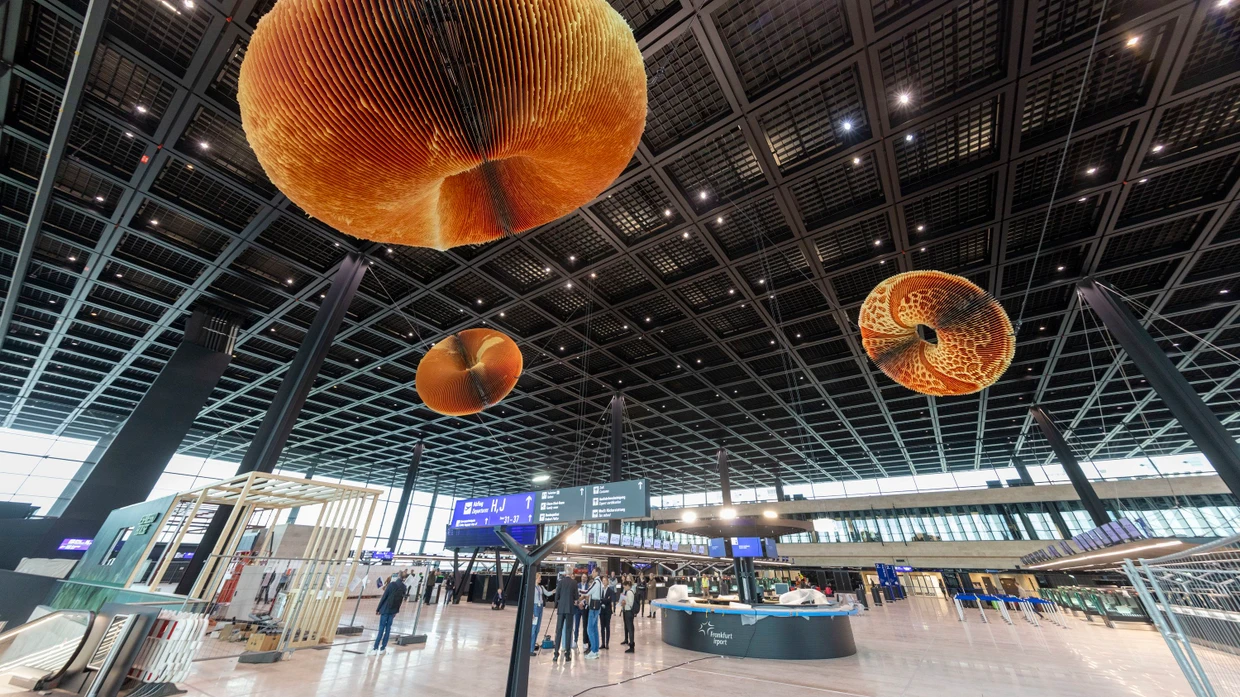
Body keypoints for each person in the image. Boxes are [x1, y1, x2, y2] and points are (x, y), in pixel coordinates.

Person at [368, 572, 406, 656]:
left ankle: (375, 648)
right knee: (388, 629)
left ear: (398, 576)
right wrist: (396, 611)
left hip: (385, 609)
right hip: (393, 610)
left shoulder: (392, 585)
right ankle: (383, 648)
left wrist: (378, 609)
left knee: (381, 628)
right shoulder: (404, 587)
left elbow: (384, 597)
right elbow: (400, 600)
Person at [553, 572, 576, 661]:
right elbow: (576, 596)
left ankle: (555, 654)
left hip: (561, 609)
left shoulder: (560, 582)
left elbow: (556, 596)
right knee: (568, 631)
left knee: (558, 630)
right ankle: (567, 654)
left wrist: (557, 604)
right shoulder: (574, 583)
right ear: (570, 574)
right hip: (570, 609)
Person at [530, 575, 553, 655]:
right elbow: (530, 600)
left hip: (540, 608)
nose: (540, 579)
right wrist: (532, 612)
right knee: (533, 628)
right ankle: (530, 649)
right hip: (535, 607)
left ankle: (532, 646)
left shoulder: (541, 587)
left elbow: (547, 593)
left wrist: (554, 591)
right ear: (535, 578)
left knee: (537, 629)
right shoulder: (532, 588)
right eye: (539, 578)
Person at [584, 569, 603, 659]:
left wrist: (578, 590)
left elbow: (587, 592)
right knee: (595, 629)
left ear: (596, 573)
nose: (591, 573)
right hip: (597, 607)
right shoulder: (600, 582)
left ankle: (593, 650)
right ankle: (595, 650)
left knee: (590, 629)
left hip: (593, 608)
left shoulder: (596, 582)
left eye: (593, 572)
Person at [600, 577, 617, 650]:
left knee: (607, 627)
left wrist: (602, 600)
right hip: (601, 611)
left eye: (605, 581)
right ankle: (603, 643)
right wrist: (604, 600)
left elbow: (609, 600)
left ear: (607, 582)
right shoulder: (600, 590)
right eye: (603, 581)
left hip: (607, 611)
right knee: (602, 628)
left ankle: (607, 643)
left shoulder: (610, 590)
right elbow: (600, 599)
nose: (604, 582)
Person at [620, 580, 636, 653]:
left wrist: (624, 602)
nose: (624, 587)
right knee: (630, 628)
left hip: (629, 612)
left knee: (630, 629)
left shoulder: (629, 592)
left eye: (624, 586)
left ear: (627, 586)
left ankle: (632, 646)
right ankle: (631, 643)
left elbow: (630, 603)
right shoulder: (629, 592)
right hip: (628, 612)